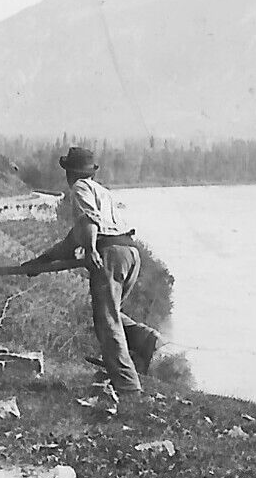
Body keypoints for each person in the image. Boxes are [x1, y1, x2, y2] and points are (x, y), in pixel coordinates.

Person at [21, 146, 159, 409]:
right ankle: (145, 340)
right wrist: (40, 262)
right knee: (112, 311)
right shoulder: (103, 193)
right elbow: (72, 241)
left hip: (109, 253)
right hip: (130, 253)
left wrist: (93, 250)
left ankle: (128, 387)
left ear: (70, 173)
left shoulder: (80, 189)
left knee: (106, 321)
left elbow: (89, 223)